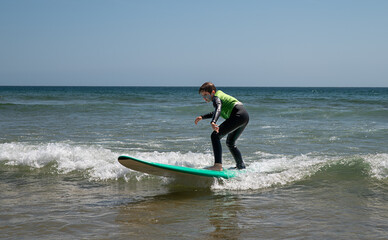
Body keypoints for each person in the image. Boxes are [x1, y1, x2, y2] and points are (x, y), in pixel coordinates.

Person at [195, 82, 249, 171]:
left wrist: (213, 121)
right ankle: (241, 166)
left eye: (206, 94)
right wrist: (202, 117)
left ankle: (217, 166)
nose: (204, 98)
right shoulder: (219, 97)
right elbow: (218, 111)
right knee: (230, 143)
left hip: (238, 115)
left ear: (212, 92)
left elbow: (218, 108)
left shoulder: (216, 98)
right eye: (202, 96)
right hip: (244, 116)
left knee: (215, 136)